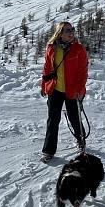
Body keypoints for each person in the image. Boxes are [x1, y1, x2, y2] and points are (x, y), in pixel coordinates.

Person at [40, 21, 89, 163]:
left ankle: (81, 140)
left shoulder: (79, 49)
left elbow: (83, 72)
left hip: (73, 90)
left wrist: (80, 90)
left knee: (74, 118)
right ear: (60, 32)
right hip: (55, 89)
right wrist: (44, 85)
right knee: (52, 120)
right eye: (67, 30)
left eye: (72, 30)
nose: (71, 32)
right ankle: (48, 150)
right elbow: (47, 69)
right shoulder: (52, 48)